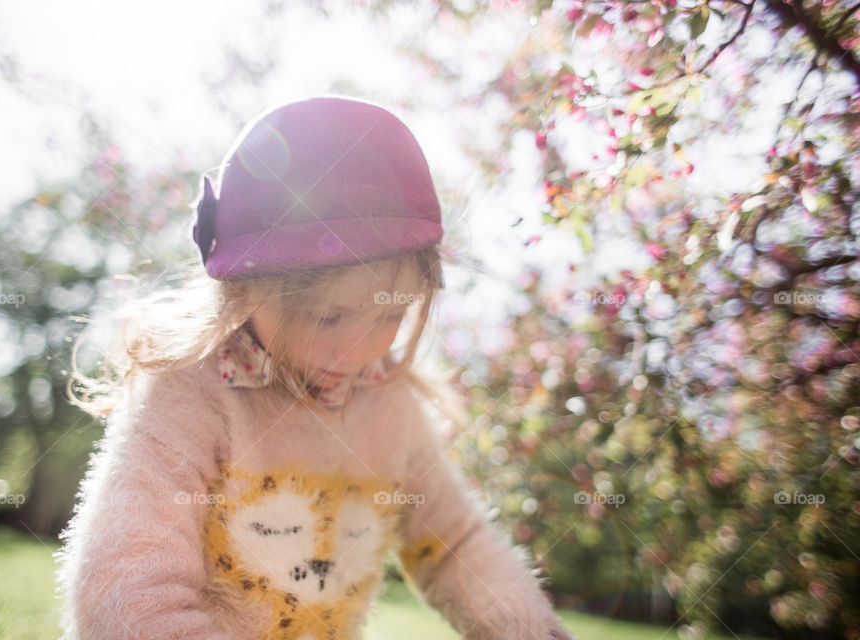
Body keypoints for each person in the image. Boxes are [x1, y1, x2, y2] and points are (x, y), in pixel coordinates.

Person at [53, 95, 574, 640]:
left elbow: (454, 546)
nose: (357, 352)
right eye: (326, 317)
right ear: (242, 292)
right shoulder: (191, 393)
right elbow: (124, 591)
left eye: (393, 314)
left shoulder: (387, 401)